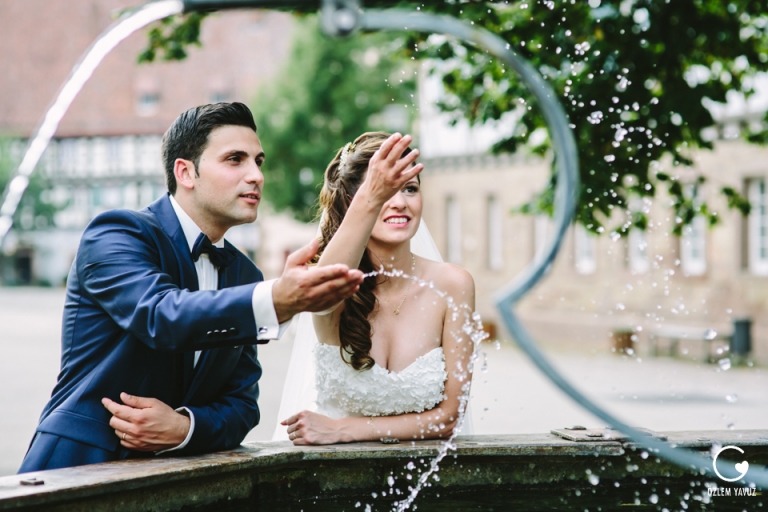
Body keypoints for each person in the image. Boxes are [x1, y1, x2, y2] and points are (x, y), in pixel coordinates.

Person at [18, 102, 364, 473]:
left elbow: (242, 406)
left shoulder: (244, 274)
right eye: (235, 160)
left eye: (258, 162)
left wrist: (184, 428)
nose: (256, 176)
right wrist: (274, 298)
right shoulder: (117, 233)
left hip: (175, 485)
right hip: (75, 468)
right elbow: (161, 316)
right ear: (185, 172)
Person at [276, 132, 476, 445]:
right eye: (384, 191)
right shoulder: (332, 287)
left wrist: (345, 429)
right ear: (357, 204)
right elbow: (322, 289)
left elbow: (451, 414)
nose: (400, 203)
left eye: (410, 188)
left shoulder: (453, 285)